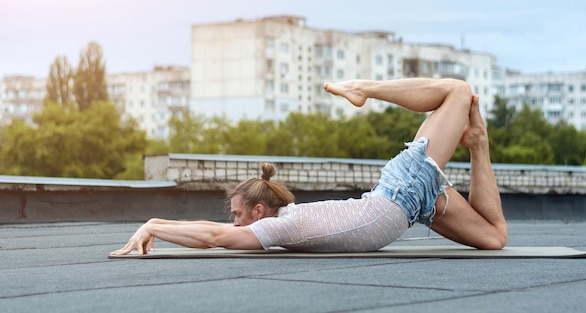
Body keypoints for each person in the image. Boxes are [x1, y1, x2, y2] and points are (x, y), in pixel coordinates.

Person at [111, 78, 507, 256]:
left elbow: (214, 237)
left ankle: (363, 88)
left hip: (399, 194)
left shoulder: (278, 225)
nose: (234, 225)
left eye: (237, 215)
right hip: (407, 206)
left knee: (456, 91)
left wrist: (154, 225)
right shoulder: (280, 226)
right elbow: (217, 233)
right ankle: (478, 144)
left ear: (259, 211)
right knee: (495, 239)